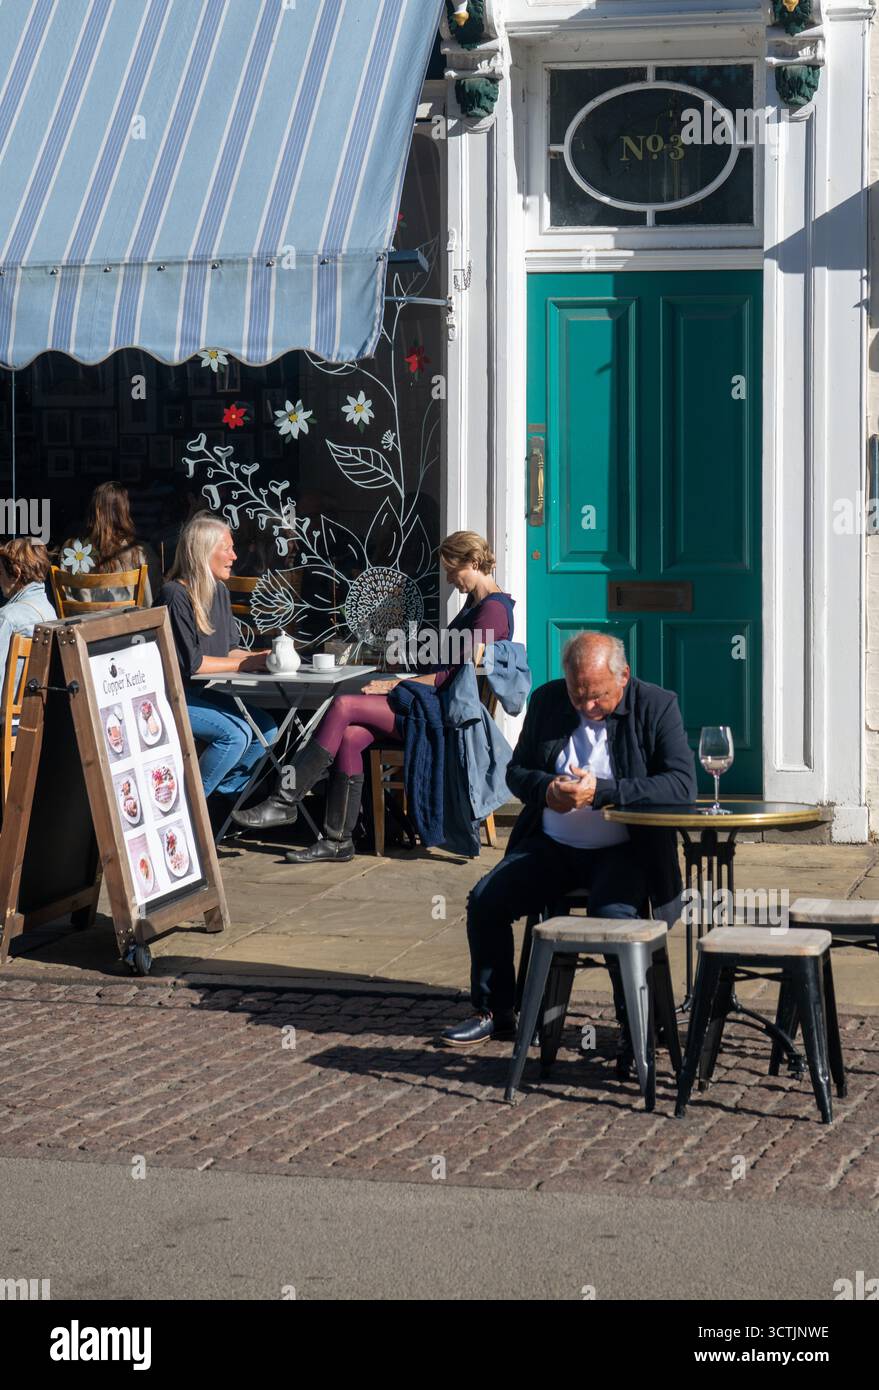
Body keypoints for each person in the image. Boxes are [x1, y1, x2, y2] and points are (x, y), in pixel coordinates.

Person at [440, 631, 697, 1048]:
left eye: (597, 696)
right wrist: (546, 790)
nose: (587, 706)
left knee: (613, 919)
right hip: (552, 848)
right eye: (578, 696)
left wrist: (602, 793)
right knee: (486, 900)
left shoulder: (656, 704)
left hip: (625, 851)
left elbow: (681, 787)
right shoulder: (548, 701)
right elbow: (516, 771)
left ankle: (635, 1023)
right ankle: (494, 1011)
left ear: (624, 676)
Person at [232, 530, 516, 864]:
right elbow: (447, 662)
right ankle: (338, 841)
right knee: (351, 736)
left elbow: (452, 675)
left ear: (472, 561)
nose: (451, 578)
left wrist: (393, 685)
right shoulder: (478, 604)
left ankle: (284, 800)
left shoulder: (492, 613)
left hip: (443, 718)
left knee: (343, 704)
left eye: (453, 569)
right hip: (434, 704)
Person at [153, 512, 277, 815]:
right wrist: (246, 665)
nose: (234, 556)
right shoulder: (175, 595)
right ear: (203, 551)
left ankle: (224, 800)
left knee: (267, 729)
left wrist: (265, 659)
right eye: (227, 548)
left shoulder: (219, 591)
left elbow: (230, 650)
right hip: (172, 695)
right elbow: (193, 665)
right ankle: (190, 811)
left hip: (201, 692)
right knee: (234, 735)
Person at [61, 481, 161, 603]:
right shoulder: (141, 552)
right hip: (130, 621)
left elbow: (66, 599)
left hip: (84, 621)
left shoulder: (71, 550)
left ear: (93, 511)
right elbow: (153, 602)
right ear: (123, 512)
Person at [0, 538, 57, 690]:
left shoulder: (7, 617)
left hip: (8, 713)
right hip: (36, 709)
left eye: (0, 572)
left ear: (16, 573)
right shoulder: (50, 612)